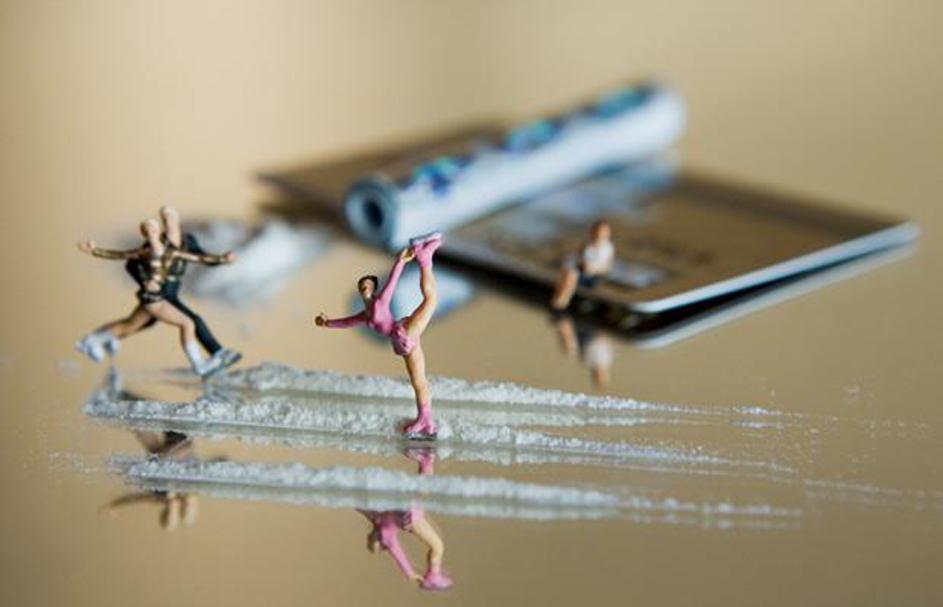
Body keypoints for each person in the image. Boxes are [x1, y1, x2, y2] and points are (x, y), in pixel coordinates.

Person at [315, 232, 443, 438]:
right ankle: (425, 419)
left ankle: (425, 256)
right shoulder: (364, 315)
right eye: (362, 285)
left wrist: (400, 261)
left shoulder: (381, 300)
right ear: (360, 290)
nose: (365, 287)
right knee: (419, 381)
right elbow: (347, 322)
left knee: (431, 301)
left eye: (368, 285)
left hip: (404, 334)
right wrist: (327, 323)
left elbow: (392, 281)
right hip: (403, 339)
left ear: (374, 288)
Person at [76, 218, 237, 378]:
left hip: (156, 297)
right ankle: (199, 366)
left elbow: (197, 257)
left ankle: (92, 340)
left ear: (159, 231)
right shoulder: (143, 252)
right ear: (144, 234)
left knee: (130, 325)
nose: (151, 232)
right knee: (187, 323)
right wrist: (94, 250)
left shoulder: (171, 252)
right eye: (147, 230)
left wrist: (222, 259)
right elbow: (119, 255)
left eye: (153, 229)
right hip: (154, 299)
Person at [125, 206, 241, 369]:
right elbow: (131, 264)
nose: (169, 222)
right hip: (161, 293)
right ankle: (217, 353)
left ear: (177, 220)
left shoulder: (188, 241)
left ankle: (100, 338)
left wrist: (222, 259)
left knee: (135, 324)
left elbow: (201, 257)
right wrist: (146, 282)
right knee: (192, 321)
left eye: (172, 218)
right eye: (166, 219)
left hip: (174, 290)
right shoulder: (155, 244)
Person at [357, 506, 453, 591]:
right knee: (437, 546)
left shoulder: (380, 523)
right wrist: (409, 573)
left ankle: (433, 575)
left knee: (437, 546)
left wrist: (410, 573)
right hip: (411, 516)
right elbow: (398, 553)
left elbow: (398, 553)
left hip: (410, 514)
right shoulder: (378, 520)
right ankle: (433, 577)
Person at [550, 219, 615, 310]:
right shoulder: (586, 243)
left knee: (570, 276)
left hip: (593, 276)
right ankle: (559, 303)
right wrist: (583, 263)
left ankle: (559, 304)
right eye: (598, 231)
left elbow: (607, 267)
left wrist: (594, 269)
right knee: (569, 274)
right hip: (580, 272)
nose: (600, 234)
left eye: (603, 231)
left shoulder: (609, 248)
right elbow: (578, 257)